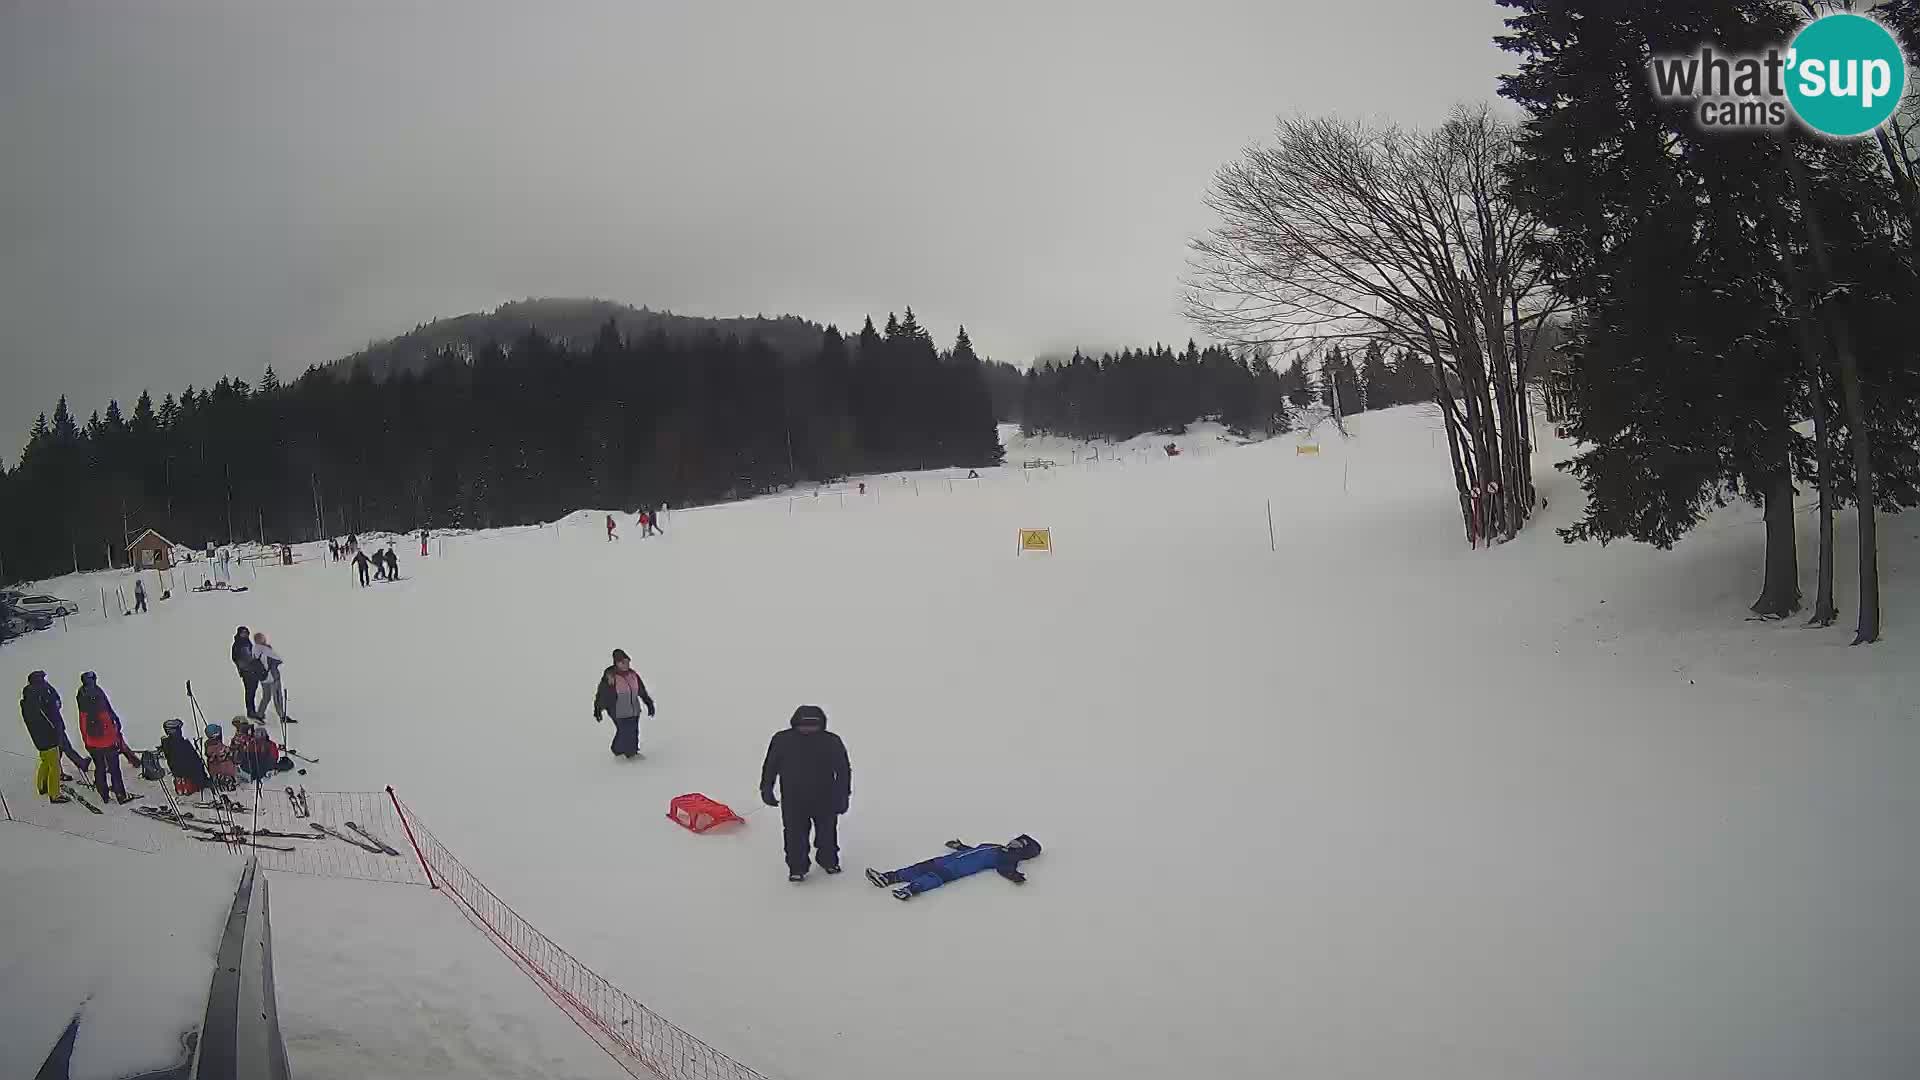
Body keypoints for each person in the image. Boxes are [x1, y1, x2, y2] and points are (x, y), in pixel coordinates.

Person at [760, 705, 852, 882]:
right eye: (804, 726)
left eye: (812, 726)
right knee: (794, 835)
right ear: (795, 723)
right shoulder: (782, 740)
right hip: (793, 799)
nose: (808, 730)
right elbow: (770, 766)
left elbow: (843, 771)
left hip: (826, 798)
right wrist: (766, 788)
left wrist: (843, 796)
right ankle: (797, 867)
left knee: (827, 833)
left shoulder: (831, 741)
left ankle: (828, 861)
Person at [865, 835, 1043, 901]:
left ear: (1022, 851)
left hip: (957, 869)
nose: (1013, 842)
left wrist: (1015, 876)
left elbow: (1005, 868)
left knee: (932, 877)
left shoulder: (1007, 857)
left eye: (1018, 843)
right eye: (1016, 839)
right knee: (919, 867)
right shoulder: (994, 845)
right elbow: (973, 850)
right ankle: (887, 878)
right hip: (948, 859)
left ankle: (909, 890)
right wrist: (959, 846)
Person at [76, 672, 139, 804]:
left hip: (92, 743)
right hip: (108, 743)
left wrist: (87, 742)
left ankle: (103, 794)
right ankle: (120, 795)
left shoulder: (81, 697)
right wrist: (116, 738)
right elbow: (110, 725)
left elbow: (82, 725)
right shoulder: (99, 698)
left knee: (99, 767)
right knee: (114, 769)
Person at [592, 649, 655, 758]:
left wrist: (649, 703)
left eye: (627, 662)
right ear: (616, 663)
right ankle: (624, 752)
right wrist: (598, 708)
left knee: (634, 731)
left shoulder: (633, 675)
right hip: (618, 710)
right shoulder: (611, 678)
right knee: (625, 732)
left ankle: (633, 752)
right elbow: (602, 694)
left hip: (634, 709)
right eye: (622, 662)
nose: (626, 664)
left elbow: (641, 690)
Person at [20, 672, 72, 803]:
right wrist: (56, 733)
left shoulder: (28, 700)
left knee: (45, 761)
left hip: (38, 738)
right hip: (48, 737)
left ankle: (42, 786)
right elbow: (50, 718)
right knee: (54, 765)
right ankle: (54, 794)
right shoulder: (40, 699)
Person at [159, 718, 210, 795]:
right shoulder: (184, 744)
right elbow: (194, 761)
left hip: (176, 770)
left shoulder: (166, 743)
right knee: (197, 766)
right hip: (189, 772)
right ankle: (195, 785)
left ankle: (182, 787)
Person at [253, 631, 294, 723]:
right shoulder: (265, 649)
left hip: (263, 678)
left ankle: (259, 715)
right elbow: (278, 660)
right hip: (272, 676)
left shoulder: (254, 649)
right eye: (262, 638)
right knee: (277, 696)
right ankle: (282, 716)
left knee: (266, 696)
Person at [228, 718, 280, 783]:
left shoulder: (268, 744)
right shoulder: (251, 742)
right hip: (251, 767)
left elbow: (272, 758)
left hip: (261, 768)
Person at [232, 626, 265, 719]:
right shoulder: (238, 644)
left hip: (253, 672)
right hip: (247, 672)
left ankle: (252, 711)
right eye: (243, 633)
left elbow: (253, 656)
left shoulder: (248, 643)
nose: (244, 634)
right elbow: (237, 658)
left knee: (252, 691)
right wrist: (244, 667)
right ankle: (250, 712)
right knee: (249, 692)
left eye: (246, 633)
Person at [203, 722, 237, 788]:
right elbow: (227, 752)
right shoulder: (218, 747)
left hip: (213, 770)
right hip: (224, 770)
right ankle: (226, 779)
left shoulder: (207, 744)